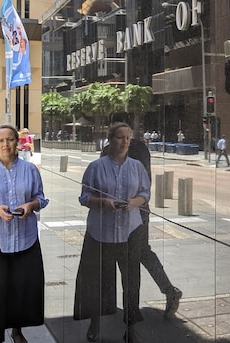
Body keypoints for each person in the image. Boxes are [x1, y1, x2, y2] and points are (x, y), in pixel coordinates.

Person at [0, 125, 49, 343]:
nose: (6, 144)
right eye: (1, 140)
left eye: (10, 139)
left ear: (17, 142)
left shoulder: (30, 170)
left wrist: (30, 206)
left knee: (21, 289)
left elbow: (40, 198)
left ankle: (16, 330)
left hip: (25, 239)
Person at [74, 123, 151, 343]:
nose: (125, 142)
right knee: (98, 281)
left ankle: (131, 326)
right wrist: (102, 202)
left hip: (130, 231)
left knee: (131, 281)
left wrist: (133, 202)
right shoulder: (96, 167)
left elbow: (145, 193)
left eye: (128, 138)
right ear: (111, 140)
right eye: (120, 137)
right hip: (101, 233)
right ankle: (95, 323)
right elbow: (84, 197)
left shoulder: (136, 167)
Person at [100, 116, 182, 319]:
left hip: (128, 210)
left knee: (125, 255)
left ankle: (128, 307)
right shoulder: (140, 147)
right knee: (140, 252)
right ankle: (166, 291)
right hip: (136, 209)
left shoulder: (116, 149)